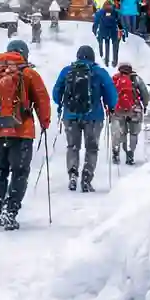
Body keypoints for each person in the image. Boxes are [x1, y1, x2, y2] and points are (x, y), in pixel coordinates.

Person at [0, 39, 51, 229]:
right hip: (21, 132)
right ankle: (10, 210)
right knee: (19, 172)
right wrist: (44, 122)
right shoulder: (29, 73)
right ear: (24, 54)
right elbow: (42, 99)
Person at [52, 46, 118, 193]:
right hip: (94, 117)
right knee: (91, 148)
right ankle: (87, 178)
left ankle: (72, 174)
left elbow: (56, 92)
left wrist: (63, 104)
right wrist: (110, 107)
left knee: (73, 147)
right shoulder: (99, 72)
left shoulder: (67, 71)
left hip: (70, 116)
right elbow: (111, 94)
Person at [109, 63, 150, 166]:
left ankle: (116, 150)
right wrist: (145, 105)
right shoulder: (136, 79)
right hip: (134, 110)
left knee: (120, 132)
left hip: (118, 110)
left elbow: (109, 93)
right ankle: (130, 153)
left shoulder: (115, 79)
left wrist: (109, 108)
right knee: (133, 133)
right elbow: (145, 93)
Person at [92, 0, 122, 66]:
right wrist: (121, 30)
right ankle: (115, 61)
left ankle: (106, 61)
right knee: (115, 47)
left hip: (104, 31)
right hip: (113, 31)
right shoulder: (115, 12)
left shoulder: (100, 12)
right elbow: (119, 22)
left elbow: (96, 22)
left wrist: (94, 31)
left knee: (106, 44)